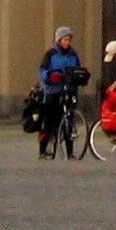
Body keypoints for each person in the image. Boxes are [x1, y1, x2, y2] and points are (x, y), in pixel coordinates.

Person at [35, 26, 86, 158]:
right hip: (53, 91)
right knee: (49, 120)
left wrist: (80, 76)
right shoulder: (51, 54)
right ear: (59, 40)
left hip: (69, 90)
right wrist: (50, 76)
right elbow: (42, 71)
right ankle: (42, 150)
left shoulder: (73, 54)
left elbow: (77, 69)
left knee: (69, 120)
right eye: (64, 39)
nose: (67, 42)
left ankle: (70, 152)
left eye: (69, 39)